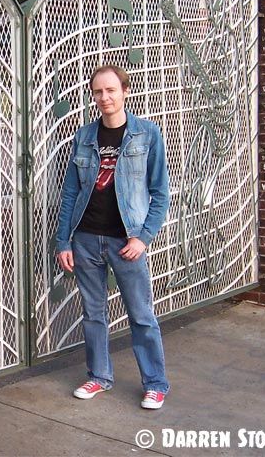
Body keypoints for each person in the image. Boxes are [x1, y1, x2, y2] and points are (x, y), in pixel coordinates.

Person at [55, 64, 170, 409]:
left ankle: (155, 383)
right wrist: (64, 241)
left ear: (124, 92)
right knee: (93, 314)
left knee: (140, 314)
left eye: (111, 90)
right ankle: (99, 377)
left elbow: (160, 192)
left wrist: (143, 237)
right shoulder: (84, 136)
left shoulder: (146, 134)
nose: (104, 98)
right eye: (98, 92)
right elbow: (71, 193)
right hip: (86, 239)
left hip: (126, 243)